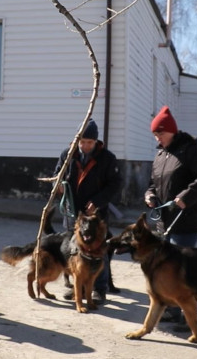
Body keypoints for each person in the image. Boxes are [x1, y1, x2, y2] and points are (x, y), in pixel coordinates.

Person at [144, 105, 197, 325]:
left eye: (161, 134)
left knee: (185, 271)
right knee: (167, 270)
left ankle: (192, 316)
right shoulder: (161, 153)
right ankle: (172, 310)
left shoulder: (190, 148)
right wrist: (150, 195)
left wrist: (186, 195)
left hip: (186, 220)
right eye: (155, 135)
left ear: (172, 131)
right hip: (163, 221)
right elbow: (152, 183)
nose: (158, 138)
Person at [54, 119, 122, 305]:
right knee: (71, 248)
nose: (85, 146)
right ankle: (75, 286)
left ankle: (100, 289)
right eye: (82, 141)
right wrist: (58, 185)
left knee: (98, 249)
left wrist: (98, 202)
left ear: (96, 142)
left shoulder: (107, 158)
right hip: (72, 210)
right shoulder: (67, 155)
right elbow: (58, 174)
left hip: (95, 214)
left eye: (89, 142)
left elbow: (115, 183)